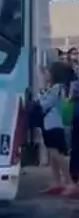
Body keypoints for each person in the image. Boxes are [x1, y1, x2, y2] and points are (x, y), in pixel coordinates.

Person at [38, 60, 73, 194]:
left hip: (53, 125)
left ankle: (69, 181)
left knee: (56, 154)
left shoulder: (57, 88)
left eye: (47, 72)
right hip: (48, 125)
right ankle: (57, 182)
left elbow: (44, 104)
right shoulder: (53, 88)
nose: (46, 75)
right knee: (52, 155)